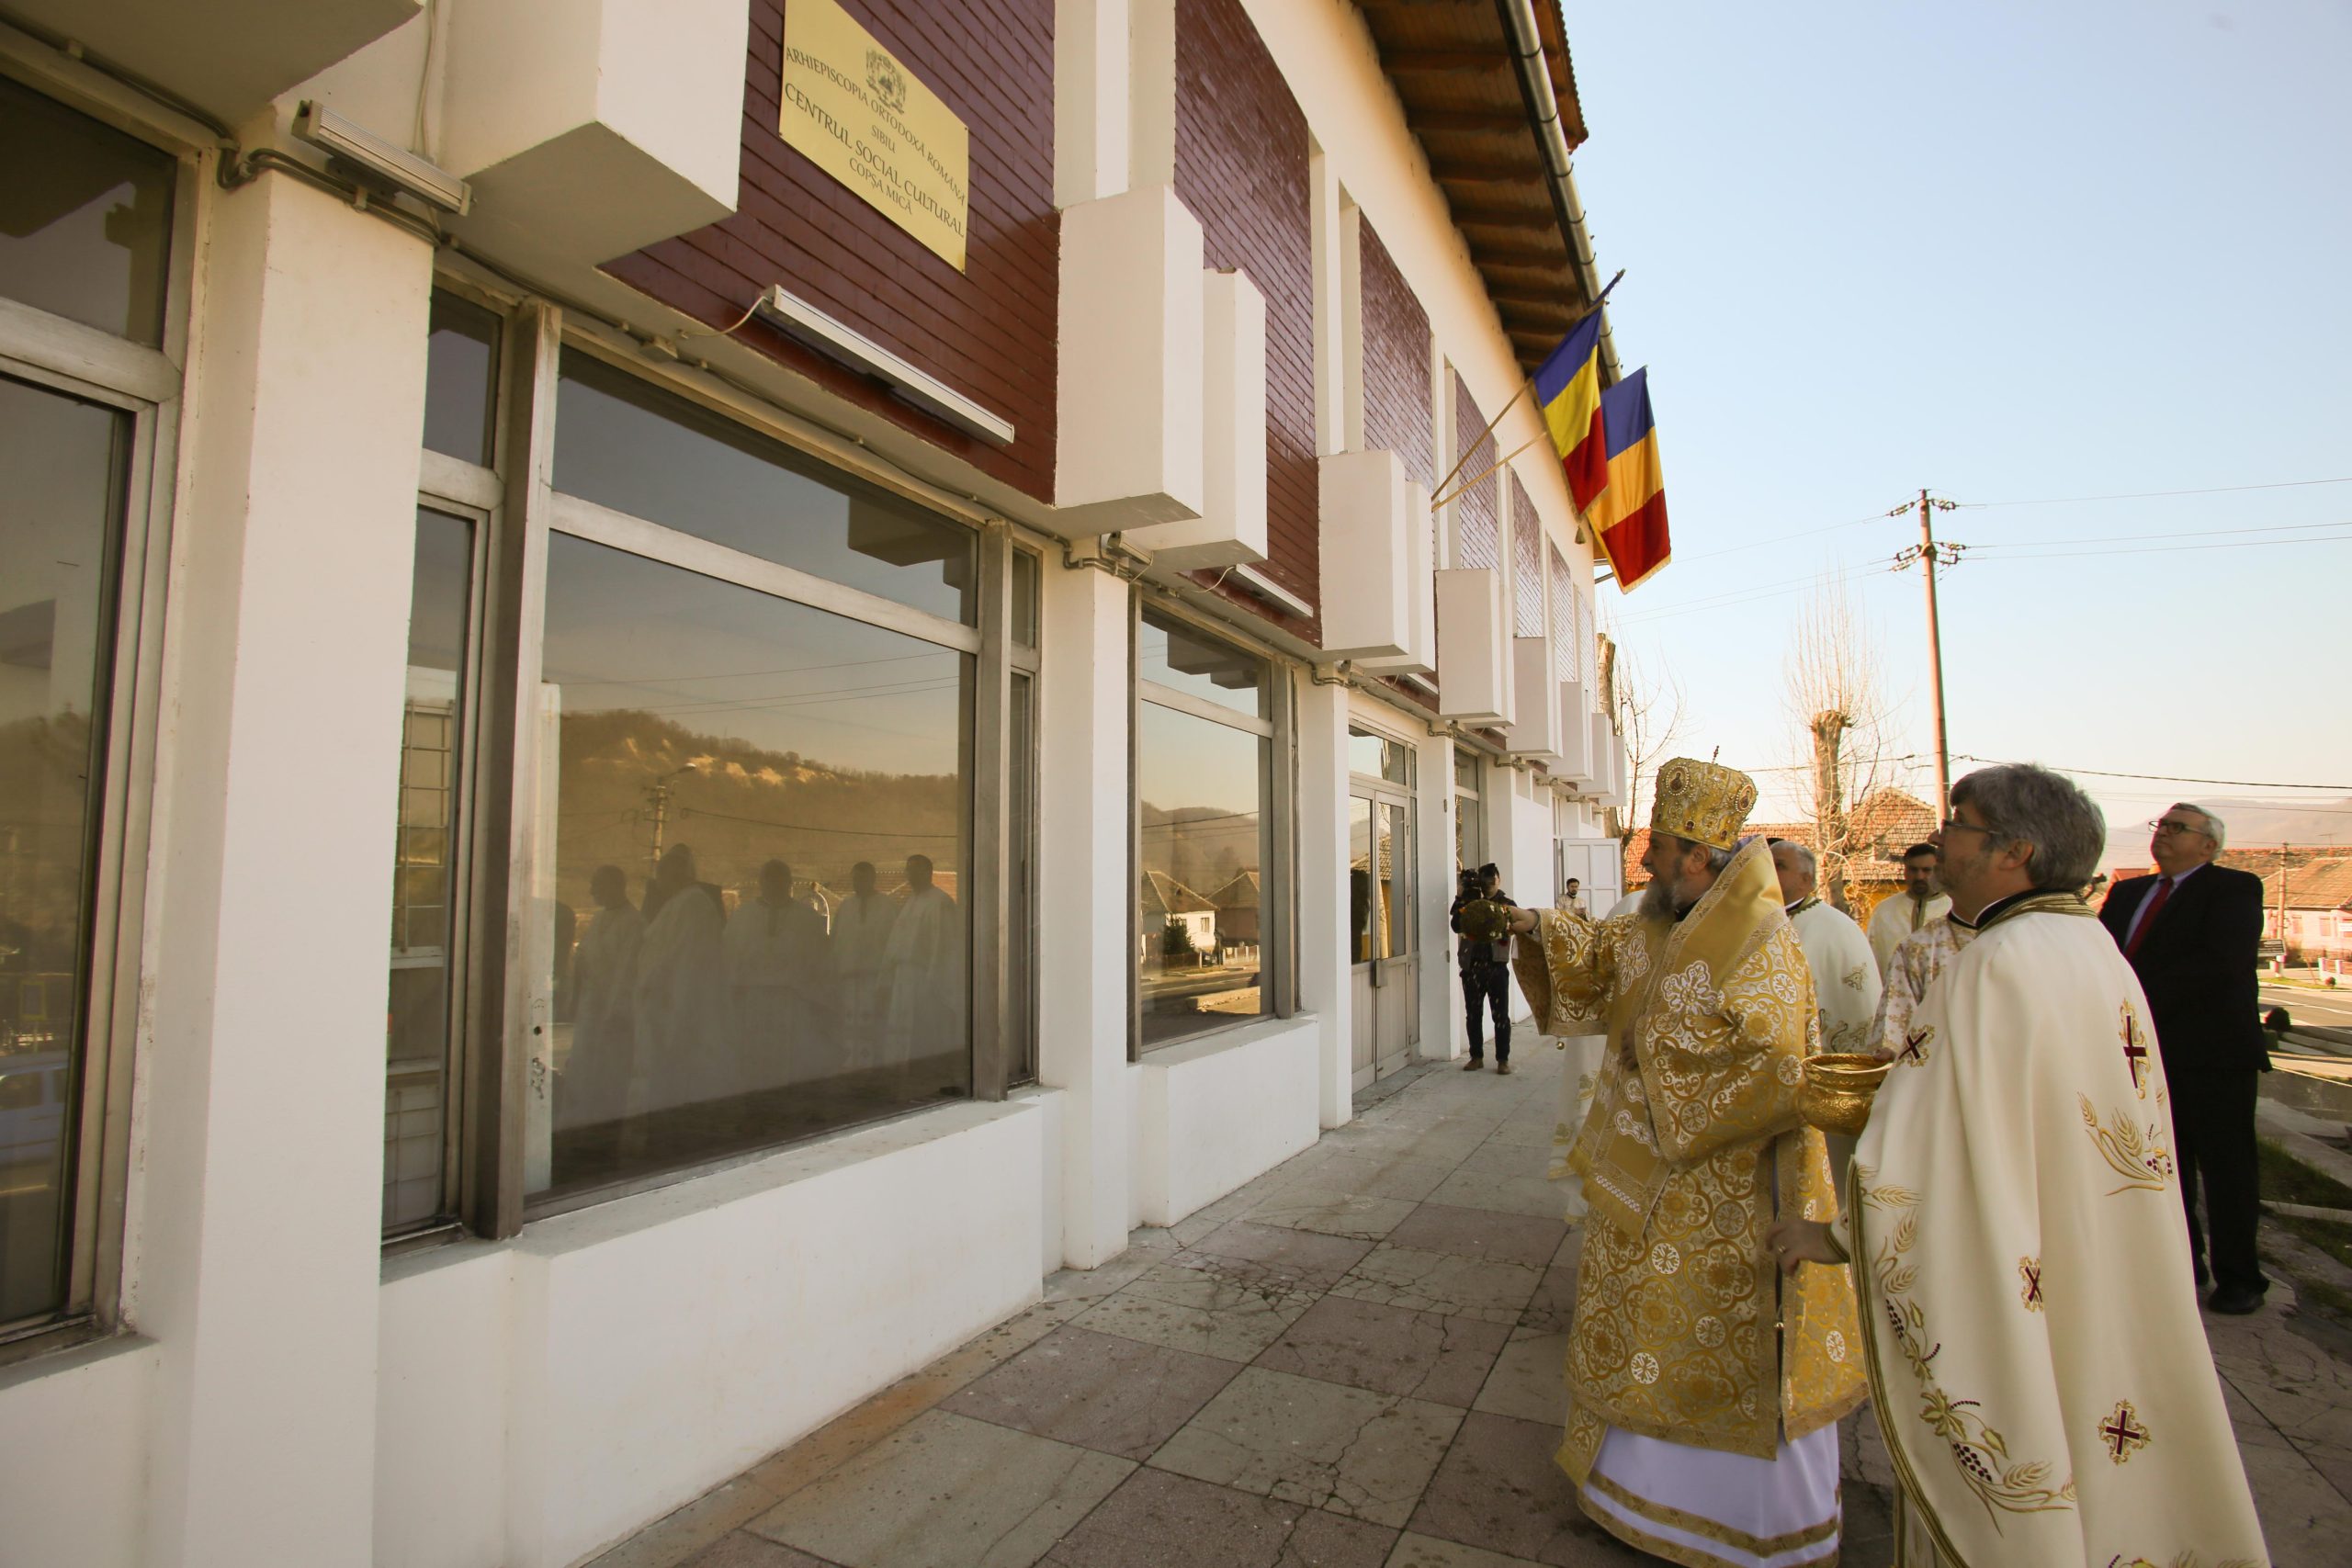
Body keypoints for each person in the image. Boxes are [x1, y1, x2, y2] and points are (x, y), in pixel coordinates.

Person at [1771, 765, 2267, 1567]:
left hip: (2014, 1265)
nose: (1941, 841)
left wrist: (1831, 1235)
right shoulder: (2090, 944)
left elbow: (1924, 1149)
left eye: (1959, 824)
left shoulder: (1993, 962)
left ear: (2015, 852)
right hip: (2087, 1246)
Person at [1506, 758, 1862, 1565]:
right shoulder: (1655, 922)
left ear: (1699, 856)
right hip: (1644, 1178)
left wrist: (1659, 1059)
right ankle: (1631, 1488)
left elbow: (1779, 1062)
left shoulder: (1762, 940)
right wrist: (1531, 924)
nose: (1645, 859)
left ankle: (1738, 1522)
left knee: (1711, 1340)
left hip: (1728, 1193)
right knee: (1642, 1326)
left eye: (1659, 847)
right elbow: (1600, 955)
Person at [2098, 803, 2270, 1314]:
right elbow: (2102, 957)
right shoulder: (2128, 893)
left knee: (2226, 1169)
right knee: (2162, 1162)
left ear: (2209, 846)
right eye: (2162, 825)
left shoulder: (2233, 889)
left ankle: (2240, 1277)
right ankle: (2182, 1262)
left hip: (2214, 1055)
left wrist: (2134, 997)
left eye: (2178, 828)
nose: (2164, 834)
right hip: (2142, 1054)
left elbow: (2220, 964)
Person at [635, 843, 729, 1108]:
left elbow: (686, 960)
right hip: (667, 1001)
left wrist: (669, 997)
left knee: (684, 1071)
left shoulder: (693, 904)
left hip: (681, 1003)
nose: (658, 884)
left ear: (674, 876)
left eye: (661, 877)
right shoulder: (679, 903)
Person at [724, 860, 830, 1091]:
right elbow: (729, 957)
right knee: (753, 1061)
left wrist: (816, 1001)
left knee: (790, 1064)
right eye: (769, 879)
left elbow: (820, 961)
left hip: (793, 1002)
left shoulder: (807, 918)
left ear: (789, 883)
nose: (774, 884)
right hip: (752, 1001)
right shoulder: (743, 916)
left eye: (779, 879)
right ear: (761, 882)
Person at [1770, 840, 1882, 1054]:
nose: (1769, 870)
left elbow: (1860, 1004)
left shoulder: (1838, 928)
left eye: (1779, 865)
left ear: (1805, 879)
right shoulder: (1757, 921)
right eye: (1767, 863)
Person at [560, 865, 644, 1131]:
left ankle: (605, 1127)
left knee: (609, 1073)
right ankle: (580, 1124)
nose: (592, 891)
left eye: (597, 885)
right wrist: (575, 997)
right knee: (583, 1070)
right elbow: (582, 959)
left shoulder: (633, 922)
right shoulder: (598, 919)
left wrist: (616, 1011)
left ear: (614, 886)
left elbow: (628, 971)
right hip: (591, 1009)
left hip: (614, 1014)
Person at [882, 853, 963, 1075]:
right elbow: (895, 941)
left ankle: (923, 1071)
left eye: (915, 869)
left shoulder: (940, 902)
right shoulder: (911, 901)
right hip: (902, 976)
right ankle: (900, 1070)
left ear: (928, 872)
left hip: (924, 976)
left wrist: (934, 979)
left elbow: (944, 944)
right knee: (900, 1027)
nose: (910, 875)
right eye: (908, 870)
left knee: (921, 1027)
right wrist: (887, 976)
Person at [1451, 864, 1516, 1074]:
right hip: (1472, 967)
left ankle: (1503, 1059)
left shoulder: (1506, 904)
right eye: (1485, 879)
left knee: (1501, 1016)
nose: (1489, 883)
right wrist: (1461, 897)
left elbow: (1516, 925)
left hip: (1497, 966)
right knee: (1473, 1014)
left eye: (1492, 879)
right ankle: (1476, 1057)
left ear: (1499, 880)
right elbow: (1456, 926)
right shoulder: (1470, 901)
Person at [831, 861, 899, 1058]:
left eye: (862, 878)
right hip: (848, 981)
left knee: (874, 1026)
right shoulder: (845, 906)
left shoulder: (887, 906)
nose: (858, 882)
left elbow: (894, 944)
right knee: (848, 1028)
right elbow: (835, 941)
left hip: (875, 980)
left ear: (872, 879)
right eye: (855, 879)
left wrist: (888, 979)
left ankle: (874, 1067)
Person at [1867, 842, 1951, 978]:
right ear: (1905, 870)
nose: (1919, 877)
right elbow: (1872, 960)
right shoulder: (1884, 912)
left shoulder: (1953, 910)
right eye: (1913, 870)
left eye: (1926, 870)